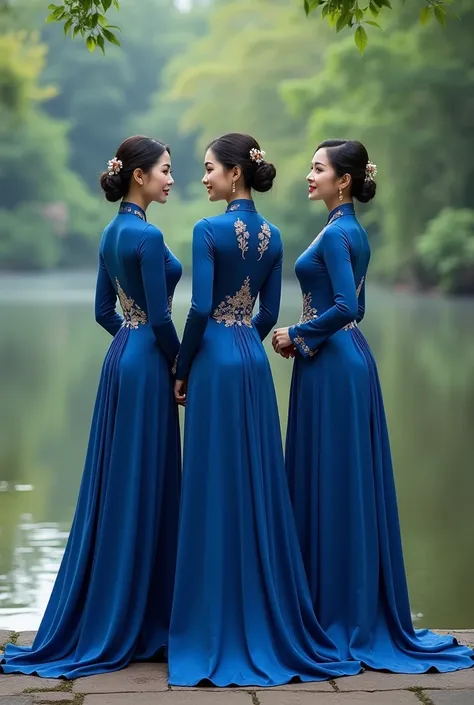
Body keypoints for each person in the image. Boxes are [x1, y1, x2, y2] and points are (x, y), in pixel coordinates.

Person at [273, 138, 474, 673]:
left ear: (343, 180)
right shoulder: (341, 229)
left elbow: (346, 305)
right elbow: (352, 305)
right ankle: (327, 604)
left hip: (335, 365)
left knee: (338, 485)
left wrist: (298, 331)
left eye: (317, 168)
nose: (308, 175)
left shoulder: (340, 233)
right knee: (333, 482)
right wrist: (310, 340)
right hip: (336, 360)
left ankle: (340, 613)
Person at [168, 133, 362, 687]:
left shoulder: (207, 231)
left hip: (213, 361)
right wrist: (245, 344)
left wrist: (184, 363)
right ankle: (263, 607)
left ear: (235, 174)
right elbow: (270, 310)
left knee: (211, 484)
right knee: (256, 482)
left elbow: (202, 306)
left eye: (209, 170)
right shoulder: (275, 235)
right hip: (252, 361)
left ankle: (210, 616)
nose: (203, 178)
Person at [1, 136, 182, 679]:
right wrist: (180, 365)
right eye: (166, 171)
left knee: (121, 482)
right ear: (139, 177)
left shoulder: (109, 233)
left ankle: (122, 608)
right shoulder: (147, 237)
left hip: (120, 357)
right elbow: (160, 318)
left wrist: (127, 343)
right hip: (148, 364)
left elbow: (107, 310)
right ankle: (145, 618)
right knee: (145, 481)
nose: (172, 179)